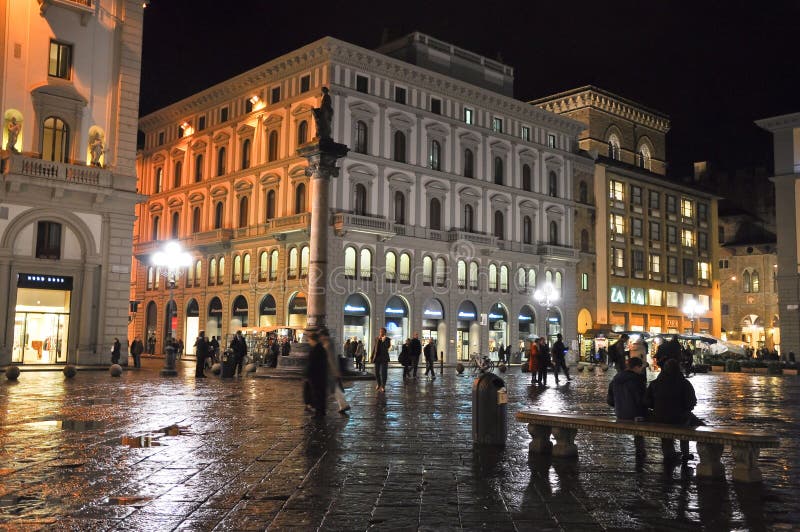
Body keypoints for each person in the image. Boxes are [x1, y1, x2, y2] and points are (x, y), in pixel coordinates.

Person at [644, 358, 699, 462]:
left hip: (659, 417)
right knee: (687, 423)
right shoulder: (684, 383)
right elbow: (691, 402)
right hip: (679, 418)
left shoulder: (655, 383)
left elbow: (647, 401)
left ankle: (668, 453)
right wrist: (685, 409)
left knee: (665, 425)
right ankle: (685, 453)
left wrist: (656, 406)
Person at [607, 357, 648, 457]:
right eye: (640, 367)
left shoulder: (616, 379)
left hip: (620, 413)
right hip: (635, 415)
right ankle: (640, 449)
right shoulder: (638, 380)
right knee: (660, 418)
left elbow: (610, 400)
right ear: (637, 367)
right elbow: (642, 401)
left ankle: (640, 449)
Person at [320, 328, 350, 415]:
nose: (320, 338)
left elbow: (331, 358)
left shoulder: (328, 344)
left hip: (329, 370)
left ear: (324, 335)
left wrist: (335, 370)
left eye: (321, 336)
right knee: (335, 389)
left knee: (333, 389)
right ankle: (343, 404)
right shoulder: (329, 343)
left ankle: (318, 405)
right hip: (330, 370)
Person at [304, 331, 328, 417]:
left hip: (316, 376)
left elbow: (312, 364)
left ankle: (319, 412)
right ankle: (321, 411)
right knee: (320, 394)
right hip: (321, 376)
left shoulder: (316, 349)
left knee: (317, 394)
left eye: (309, 340)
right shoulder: (321, 348)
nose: (309, 342)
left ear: (313, 340)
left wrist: (308, 375)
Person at [371, 327, 391, 392]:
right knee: (376, 372)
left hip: (384, 358)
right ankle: (379, 384)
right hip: (377, 358)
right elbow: (375, 348)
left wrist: (383, 340)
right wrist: (372, 356)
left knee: (384, 372)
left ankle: (383, 386)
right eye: (380, 331)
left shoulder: (387, 339)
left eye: (382, 332)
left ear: (385, 333)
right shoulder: (377, 338)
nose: (381, 333)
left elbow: (387, 346)